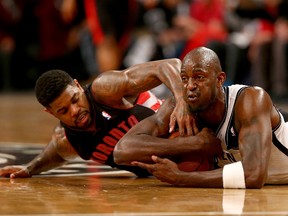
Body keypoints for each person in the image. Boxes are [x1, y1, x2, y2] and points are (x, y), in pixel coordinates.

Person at [114, 46, 288, 189]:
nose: (190, 86)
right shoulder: (179, 106)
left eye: (199, 77)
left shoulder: (250, 100)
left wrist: (181, 178)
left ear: (219, 80)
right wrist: (192, 144)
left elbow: (254, 175)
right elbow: (122, 151)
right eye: (184, 78)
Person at [0, 58, 194, 178]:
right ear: (51, 113)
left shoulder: (105, 89)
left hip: (186, 133)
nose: (75, 111)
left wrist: (182, 102)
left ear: (77, 86)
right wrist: (30, 168)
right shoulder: (68, 139)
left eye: (75, 99)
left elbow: (170, 65)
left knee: (124, 150)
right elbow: (56, 153)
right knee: (124, 151)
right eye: (64, 111)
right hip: (170, 175)